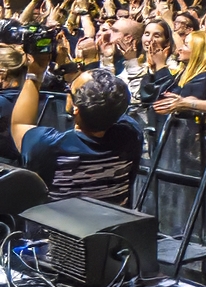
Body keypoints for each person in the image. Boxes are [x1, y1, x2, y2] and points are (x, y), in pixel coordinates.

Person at [11, 64, 143, 206]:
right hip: (114, 218)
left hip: (59, 220)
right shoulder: (132, 134)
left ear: (76, 108)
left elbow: (19, 124)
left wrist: (34, 74)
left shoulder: (49, 144)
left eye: (70, 90)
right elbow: (112, 107)